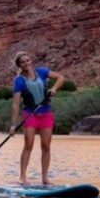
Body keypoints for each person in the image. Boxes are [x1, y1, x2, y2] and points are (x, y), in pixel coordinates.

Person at [9, 51, 65, 185]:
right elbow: (16, 104)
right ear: (19, 65)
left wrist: (54, 88)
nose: (26, 63)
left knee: (46, 146)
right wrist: (13, 125)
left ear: (31, 61)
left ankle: (45, 178)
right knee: (28, 145)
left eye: (28, 60)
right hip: (30, 115)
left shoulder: (41, 72)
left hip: (46, 114)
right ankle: (23, 177)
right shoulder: (19, 81)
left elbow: (60, 78)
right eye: (23, 62)